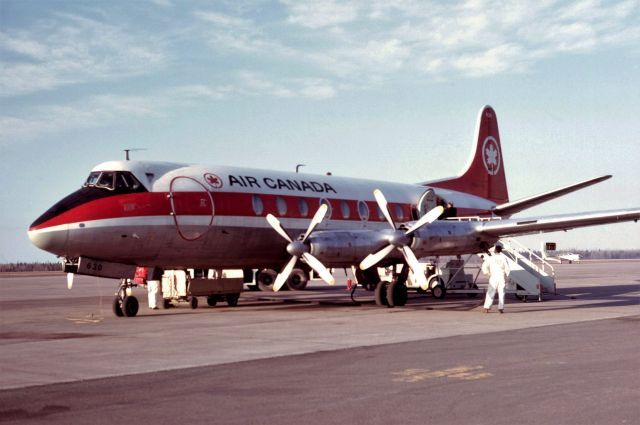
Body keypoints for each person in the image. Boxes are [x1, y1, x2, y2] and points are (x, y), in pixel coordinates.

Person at [481, 244, 510, 313]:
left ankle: (487, 308)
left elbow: (484, 266)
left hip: (493, 276)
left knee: (491, 291)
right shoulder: (504, 258)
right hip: (501, 276)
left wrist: (487, 273)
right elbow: (507, 268)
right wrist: (507, 276)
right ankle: (501, 308)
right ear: (500, 251)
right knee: (501, 293)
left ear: (495, 250)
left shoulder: (491, 258)